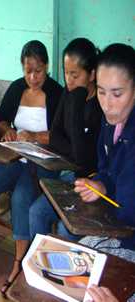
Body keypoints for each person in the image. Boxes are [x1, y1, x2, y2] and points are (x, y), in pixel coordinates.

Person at [0, 40, 63, 296]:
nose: (33, 77)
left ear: (47, 67)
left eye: (38, 70)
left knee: (20, 198)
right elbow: (1, 120)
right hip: (14, 158)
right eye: (28, 70)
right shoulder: (18, 87)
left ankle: (20, 263)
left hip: (42, 164)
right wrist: (9, 131)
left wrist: (35, 137)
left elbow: (63, 136)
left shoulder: (57, 93)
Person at [29, 38, 103, 241]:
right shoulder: (67, 93)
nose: (68, 81)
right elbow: (55, 137)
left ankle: (63, 271)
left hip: (91, 181)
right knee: (36, 212)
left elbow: (84, 162)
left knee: (65, 229)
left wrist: (78, 101)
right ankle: (41, 267)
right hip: (67, 174)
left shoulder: (101, 105)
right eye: (65, 72)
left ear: (92, 74)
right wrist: (73, 149)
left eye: (75, 74)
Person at [74, 43, 135, 258]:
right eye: (101, 92)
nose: (107, 104)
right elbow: (107, 169)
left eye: (117, 94)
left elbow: (128, 207)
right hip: (117, 226)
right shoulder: (110, 124)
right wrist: (101, 184)